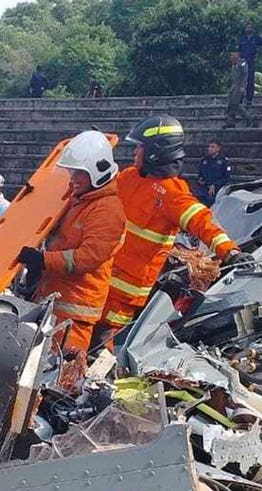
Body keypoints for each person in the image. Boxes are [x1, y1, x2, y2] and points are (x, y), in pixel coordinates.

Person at [97, 117, 238, 341]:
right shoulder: (128, 177)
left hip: (125, 292)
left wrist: (229, 251)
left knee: (104, 344)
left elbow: (202, 221)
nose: (135, 152)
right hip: (100, 275)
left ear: (155, 153)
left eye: (140, 147)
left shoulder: (173, 193)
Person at [16, 130, 124, 354]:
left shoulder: (107, 210)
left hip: (75, 315)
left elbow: (87, 258)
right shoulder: (80, 200)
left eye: (78, 173)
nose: (72, 178)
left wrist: (42, 260)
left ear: (97, 173)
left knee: (59, 377)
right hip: (54, 303)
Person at [238, 21, 262, 105]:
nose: (248, 29)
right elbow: (239, 50)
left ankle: (249, 99)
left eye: (250, 27)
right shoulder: (242, 39)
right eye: (247, 27)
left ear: (252, 29)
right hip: (243, 61)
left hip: (252, 61)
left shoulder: (256, 38)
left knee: (250, 80)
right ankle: (239, 99)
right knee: (241, 81)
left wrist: (258, 50)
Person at [196, 141, 232, 206]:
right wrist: (200, 180)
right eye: (209, 147)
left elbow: (226, 178)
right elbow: (200, 174)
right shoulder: (205, 160)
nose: (210, 148)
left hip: (217, 189)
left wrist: (214, 184)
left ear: (218, 148)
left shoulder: (224, 161)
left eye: (213, 147)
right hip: (204, 187)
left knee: (211, 201)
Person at [224, 51, 254, 128]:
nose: (231, 58)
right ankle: (231, 121)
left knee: (236, 104)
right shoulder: (234, 65)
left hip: (239, 87)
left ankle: (249, 118)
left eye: (232, 56)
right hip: (234, 86)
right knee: (230, 104)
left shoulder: (242, 64)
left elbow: (245, 75)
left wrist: (243, 86)